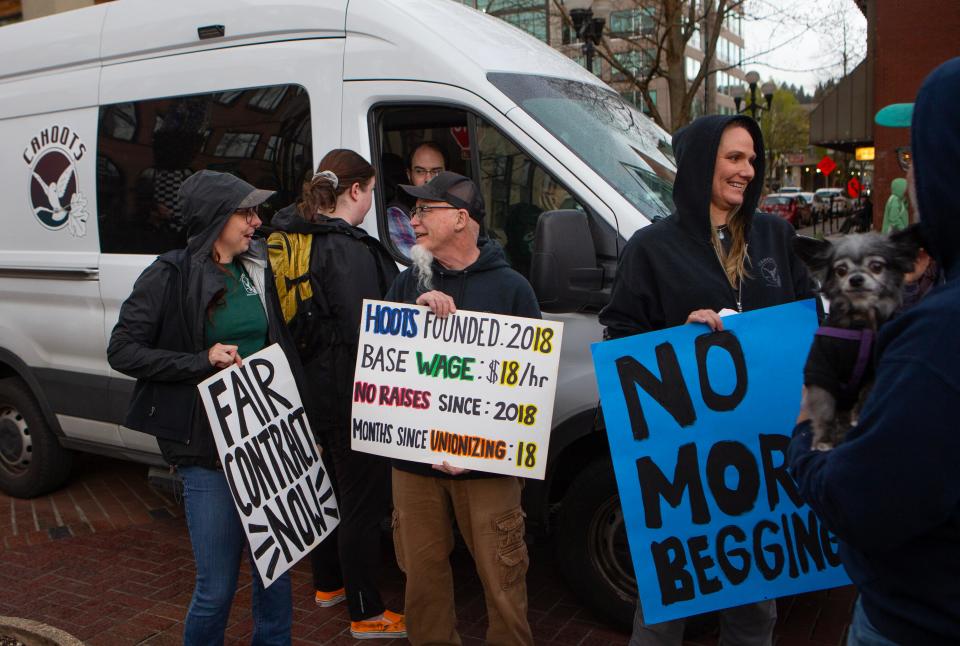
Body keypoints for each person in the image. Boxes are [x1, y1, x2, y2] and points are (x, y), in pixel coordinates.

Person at [599, 114, 814, 646]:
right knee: (664, 610)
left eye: (751, 160)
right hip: (684, 466)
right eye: (734, 158)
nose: (747, 170)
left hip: (761, 459)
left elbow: (812, 318)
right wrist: (677, 337)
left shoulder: (775, 236)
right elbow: (621, 340)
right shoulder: (651, 247)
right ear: (700, 164)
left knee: (754, 613)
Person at [788, 58, 960, 645]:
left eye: (915, 159)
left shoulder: (939, 335)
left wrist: (809, 431)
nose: (909, 177)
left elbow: (863, 500)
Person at [107, 170, 299, 645]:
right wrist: (201, 361)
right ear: (216, 217)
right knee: (215, 589)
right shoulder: (169, 274)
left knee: (275, 573)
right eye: (246, 212)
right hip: (208, 454)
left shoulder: (255, 269)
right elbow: (123, 350)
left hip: (266, 445)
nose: (257, 222)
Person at [386, 171, 537, 645]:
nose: (413, 220)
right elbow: (383, 367)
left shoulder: (513, 289)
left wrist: (482, 449)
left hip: (487, 469)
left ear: (460, 217)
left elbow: (529, 393)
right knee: (422, 586)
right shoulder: (405, 284)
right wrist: (412, 318)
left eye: (423, 210)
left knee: (504, 587)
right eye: (414, 211)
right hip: (414, 465)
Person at [269, 150, 404, 639]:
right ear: (354, 191)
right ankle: (367, 612)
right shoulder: (348, 249)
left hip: (309, 389)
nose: (371, 202)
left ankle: (328, 584)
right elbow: (366, 330)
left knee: (327, 492)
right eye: (370, 192)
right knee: (361, 505)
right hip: (353, 396)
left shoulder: (290, 239)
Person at [386, 142, 447, 256]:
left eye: (436, 172)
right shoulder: (397, 213)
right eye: (420, 171)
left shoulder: (455, 207)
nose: (428, 179)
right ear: (409, 175)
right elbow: (415, 263)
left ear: (448, 175)